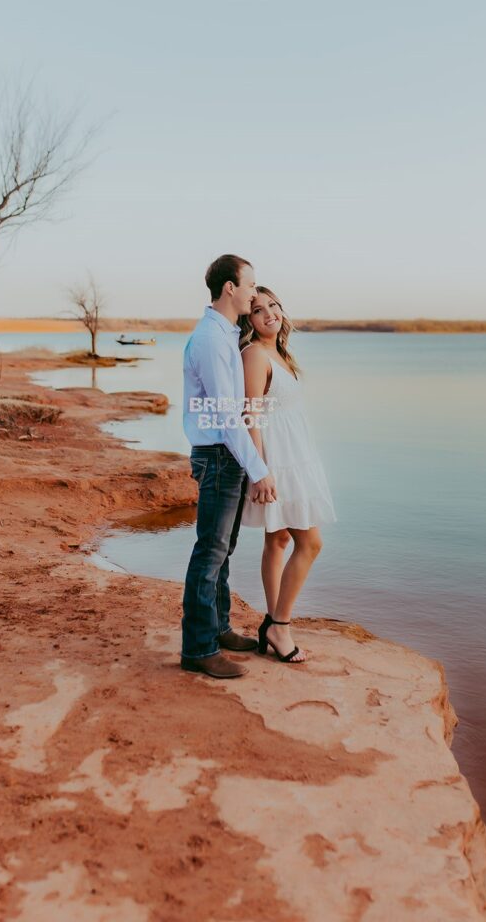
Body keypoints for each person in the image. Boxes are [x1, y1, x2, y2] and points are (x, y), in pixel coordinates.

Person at [181, 254, 277, 679]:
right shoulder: (210, 339)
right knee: (210, 551)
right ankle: (198, 649)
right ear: (229, 289)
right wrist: (259, 469)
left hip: (226, 455)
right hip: (220, 456)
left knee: (225, 549)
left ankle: (217, 629)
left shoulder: (224, 334)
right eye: (250, 286)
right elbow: (226, 416)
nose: (255, 294)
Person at [239, 286, 337, 664]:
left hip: (297, 458)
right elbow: (252, 417)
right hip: (277, 464)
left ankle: (271, 623)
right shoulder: (254, 355)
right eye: (258, 310)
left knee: (279, 539)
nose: (269, 314)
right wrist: (260, 471)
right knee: (311, 544)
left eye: (273, 305)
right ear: (248, 320)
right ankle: (280, 624)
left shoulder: (281, 354)